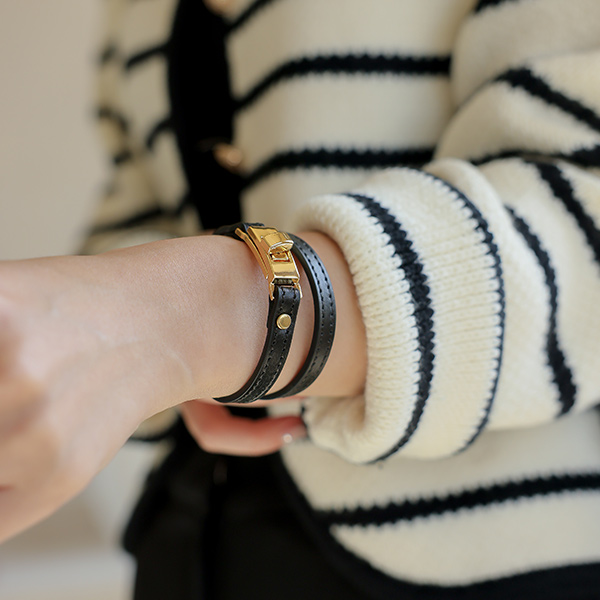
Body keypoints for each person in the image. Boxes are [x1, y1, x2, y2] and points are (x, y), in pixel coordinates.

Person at [2, 0, 600, 598]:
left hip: (481, 555)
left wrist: (199, 318)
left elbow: (584, 224)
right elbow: (136, 219)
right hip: (192, 536)